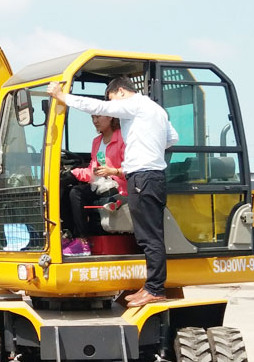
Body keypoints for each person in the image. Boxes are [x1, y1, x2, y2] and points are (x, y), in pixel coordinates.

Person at [47, 76, 178, 308]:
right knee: (150, 236)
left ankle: (155, 288)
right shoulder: (156, 110)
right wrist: (147, 148)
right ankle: (151, 287)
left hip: (142, 176)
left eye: (112, 101)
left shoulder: (134, 104)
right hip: (152, 175)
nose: (113, 109)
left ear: (119, 92)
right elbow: (171, 139)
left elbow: (99, 107)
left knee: (149, 237)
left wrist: (62, 97)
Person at [61, 115, 126, 256]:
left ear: (110, 117)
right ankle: (69, 236)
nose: (94, 121)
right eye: (92, 117)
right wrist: (73, 173)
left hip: (118, 186)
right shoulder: (97, 142)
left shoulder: (123, 138)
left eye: (98, 117)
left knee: (76, 193)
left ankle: (82, 241)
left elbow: (134, 168)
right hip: (100, 184)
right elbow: (92, 170)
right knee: (67, 190)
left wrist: (113, 171)